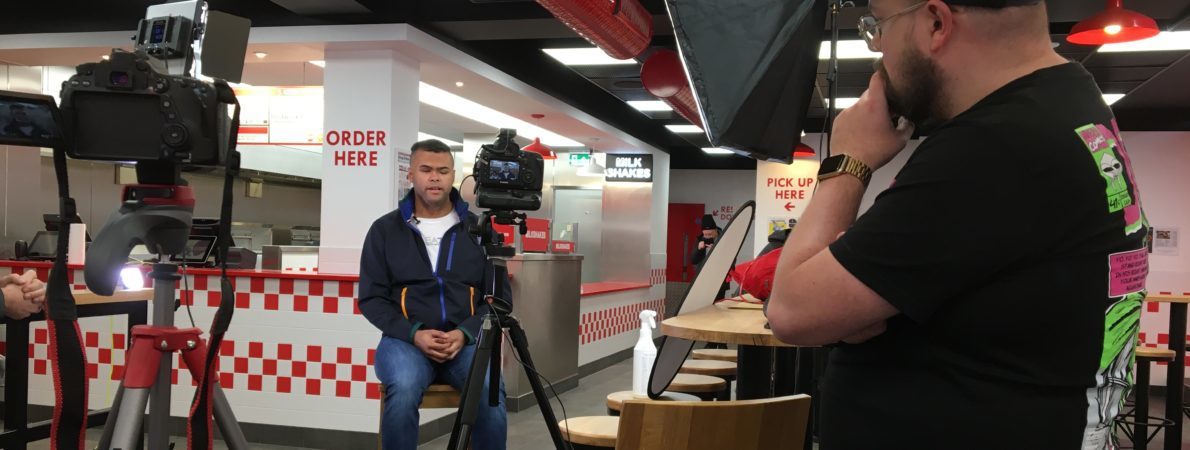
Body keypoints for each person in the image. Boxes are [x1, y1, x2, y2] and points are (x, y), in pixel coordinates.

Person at [765, 1, 1148, 449]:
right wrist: (846, 304)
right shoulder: (1067, 103)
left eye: (877, 27)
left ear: (935, 23)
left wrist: (849, 160)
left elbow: (791, 311)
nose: (878, 50)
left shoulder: (999, 146)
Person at [358, 139, 508, 450]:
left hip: (465, 343)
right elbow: (371, 299)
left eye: (442, 170)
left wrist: (464, 333)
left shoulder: (479, 231)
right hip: (405, 341)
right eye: (426, 169)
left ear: (454, 175)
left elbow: (499, 299)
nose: (434, 177)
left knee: (490, 392)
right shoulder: (384, 230)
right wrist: (414, 334)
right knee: (403, 388)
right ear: (410, 174)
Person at [689, 214, 730, 301]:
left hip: (719, 281)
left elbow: (730, 260)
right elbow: (693, 260)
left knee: (717, 306)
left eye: (710, 234)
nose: (708, 236)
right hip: (703, 280)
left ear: (715, 230)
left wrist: (716, 250)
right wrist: (699, 249)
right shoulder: (699, 239)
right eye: (705, 234)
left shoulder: (724, 239)